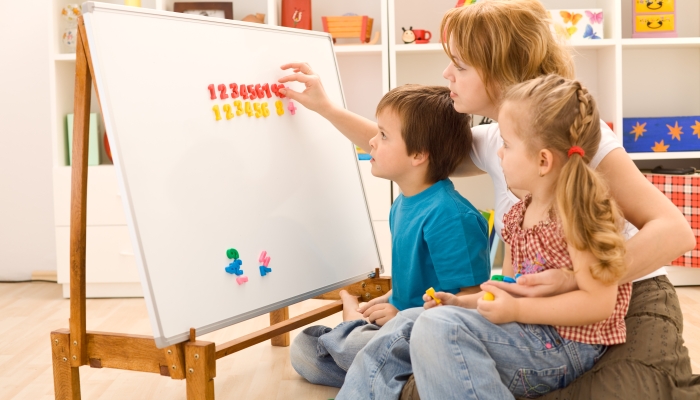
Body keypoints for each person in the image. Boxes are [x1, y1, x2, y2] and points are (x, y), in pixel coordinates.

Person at [278, 0, 698, 398]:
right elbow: (405, 147)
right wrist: (327, 109)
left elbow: (675, 232)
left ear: (501, 72)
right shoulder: (501, 140)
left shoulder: (574, 143)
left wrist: (576, 280)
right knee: (416, 348)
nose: (446, 74)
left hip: (622, 298)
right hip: (530, 315)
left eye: (460, 65)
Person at [401, 74, 630, 398]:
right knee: (431, 323)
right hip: (529, 333)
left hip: (567, 346)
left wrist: (518, 312)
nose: (499, 154)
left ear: (543, 160)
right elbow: (507, 290)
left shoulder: (580, 212)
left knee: (436, 331)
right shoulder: (516, 215)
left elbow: (599, 303)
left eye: (507, 145)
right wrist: (461, 304)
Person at [288, 85, 491, 388]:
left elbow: (470, 300)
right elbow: (413, 283)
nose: (371, 140)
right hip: (394, 330)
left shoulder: (451, 217)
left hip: (429, 335)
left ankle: (367, 349)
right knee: (304, 350)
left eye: (383, 135)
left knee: (340, 346)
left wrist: (400, 313)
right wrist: (389, 299)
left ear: (419, 155)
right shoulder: (403, 204)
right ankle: (387, 372)